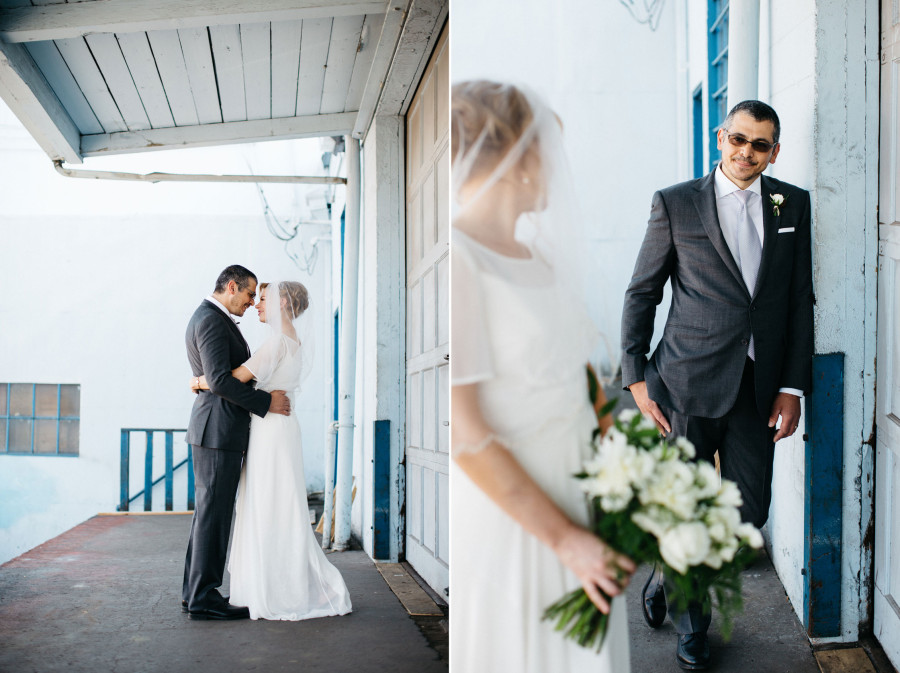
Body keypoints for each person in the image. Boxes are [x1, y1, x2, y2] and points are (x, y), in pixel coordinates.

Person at [621, 100, 814, 670]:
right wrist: (635, 378)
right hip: (684, 383)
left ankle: (668, 574)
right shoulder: (676, 203)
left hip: (758, 387)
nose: (746, 152)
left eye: (759, 145)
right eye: (738, 139)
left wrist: (792, 386)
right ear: (720, 136)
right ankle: (692, 625)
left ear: (774, 152)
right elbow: (642, 293)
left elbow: (798, 301)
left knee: (749, 510)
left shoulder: (792, 205)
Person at [450, 80, 633, 673]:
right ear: (513, 156)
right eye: (546, 148)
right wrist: (564, 539)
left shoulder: (542, 258)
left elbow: (584, 387)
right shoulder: (460, 259)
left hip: (580, 495)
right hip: (517, 518)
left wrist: (630, 486)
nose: (556, 165)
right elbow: (463, 431)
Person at [190, 280, 352, 621]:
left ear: (281, 302)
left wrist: (201, 381)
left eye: (262, 299)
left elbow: (230, 378)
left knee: (268, 503)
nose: (257, 305)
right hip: (277, 427)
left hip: (269, 430)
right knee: (277, 502)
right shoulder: (291, 339)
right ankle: (274, 583)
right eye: (255, 298)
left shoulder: (277, 341)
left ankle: (270, 587)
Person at [183, 265, 292, 620]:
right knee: (214, 516)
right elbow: (219, 380)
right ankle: (205, 597)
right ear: (231, 286)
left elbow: (210, 379)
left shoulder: (209, 317)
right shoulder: (213, 320)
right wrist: (266, 403)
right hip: (218, 431)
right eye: (248, 295)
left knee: (209, 514)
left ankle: (194, 592)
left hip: (216, 429)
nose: (250, 303)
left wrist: (199, 381)